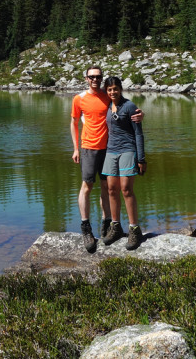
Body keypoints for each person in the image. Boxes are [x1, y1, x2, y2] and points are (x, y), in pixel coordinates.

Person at [70, 66, 142, 253]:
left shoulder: (107, 95)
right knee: (87, 186)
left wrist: (140, 115)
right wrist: (76, 148)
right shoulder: (79, 98)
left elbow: (128, 111)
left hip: (109, 149)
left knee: (110, 188)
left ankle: (108, 224)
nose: (95, 79)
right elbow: (74, 122)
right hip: (88, 147)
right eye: (91, 76)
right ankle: (86, 228)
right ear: (86, 78)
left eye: (98, 76)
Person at [100, 76, 146, 250]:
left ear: (121, 89)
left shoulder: (130, 106)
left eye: (115, 89)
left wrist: (141, 158)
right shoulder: (105, 106)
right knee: (111, 189)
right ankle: (116, 227)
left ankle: (134, 229)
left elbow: (139, 134)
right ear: (107, 91)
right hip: (111, 151)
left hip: (128, 150)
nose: (113, 92)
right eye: (110, 89)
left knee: (126, 189)